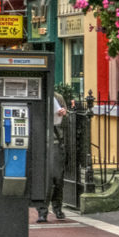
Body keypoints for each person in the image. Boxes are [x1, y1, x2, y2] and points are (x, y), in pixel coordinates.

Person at [37, 92, 69, 223]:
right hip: (40, 142)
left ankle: (57, 208)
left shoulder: (58, 97)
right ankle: (42, 211)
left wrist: (64, 113)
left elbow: (67, 120)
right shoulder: (37, 94)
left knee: (57, 178)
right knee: (43, 179)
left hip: (55, 142)